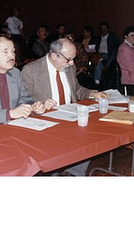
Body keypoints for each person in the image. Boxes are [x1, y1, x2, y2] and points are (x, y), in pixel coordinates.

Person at [21, 38, 108, 176]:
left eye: (73, 59)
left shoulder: (68, 67)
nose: (72, 63)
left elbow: (76, 90)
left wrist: (92, 93)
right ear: (54, 55)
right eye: (69, 59)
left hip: (70, 118)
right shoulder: (31, 70)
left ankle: (74, 174)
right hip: (47, 122)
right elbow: (24, 100)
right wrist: (41, 105)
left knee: (90, 139)